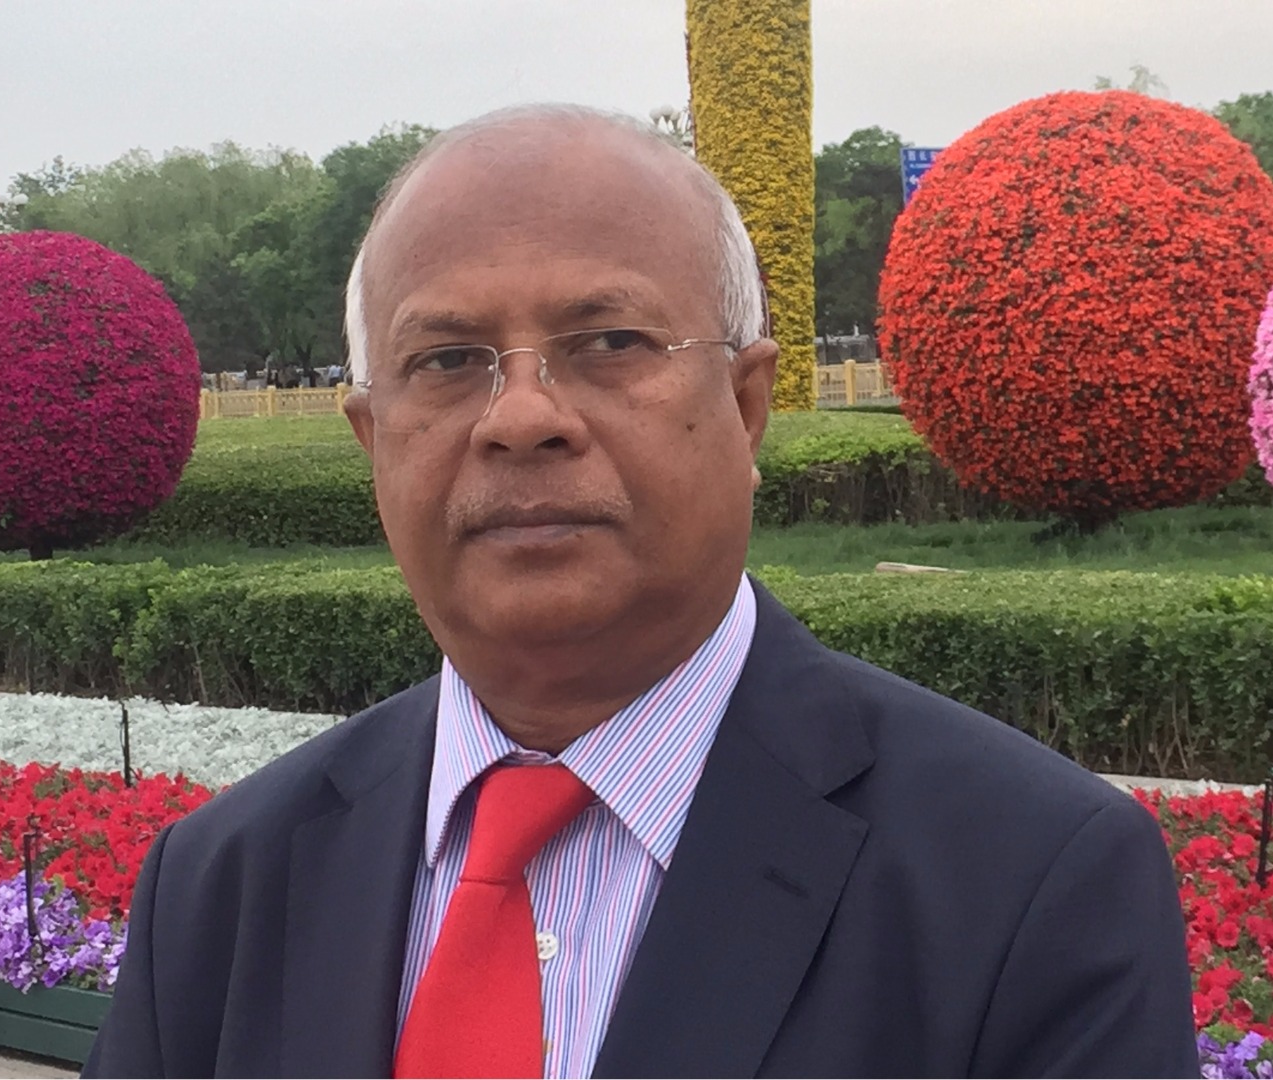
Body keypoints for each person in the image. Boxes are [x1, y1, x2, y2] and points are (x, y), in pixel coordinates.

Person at [83, 105, 1199, 1078]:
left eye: (609, 341)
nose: (522, 416)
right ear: (373, 439)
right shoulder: (221, 884)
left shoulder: (1027, 880)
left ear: (746, 407)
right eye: (448, 360)